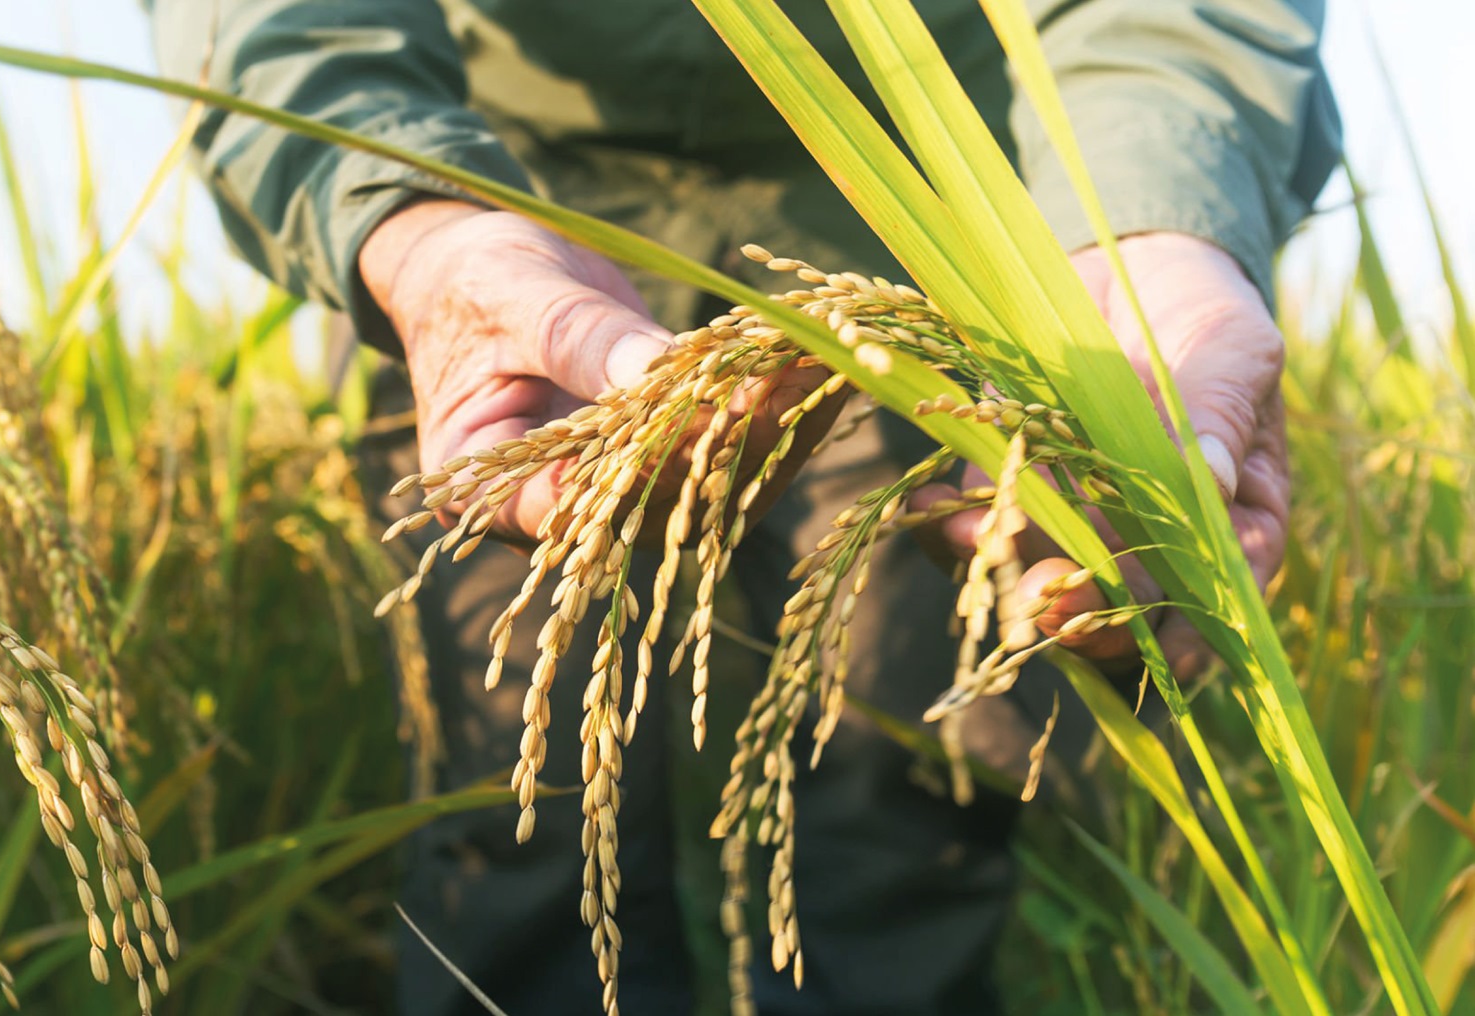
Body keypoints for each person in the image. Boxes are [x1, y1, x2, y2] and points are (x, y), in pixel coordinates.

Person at [149, 0, 1338, 1012]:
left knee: (897, 789)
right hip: (498, 203)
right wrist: (409, 217)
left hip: (916, 223)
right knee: (515, 797)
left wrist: (1153, 234)